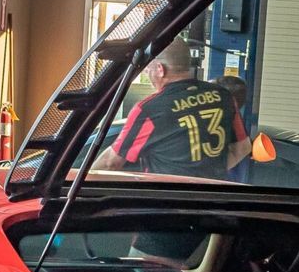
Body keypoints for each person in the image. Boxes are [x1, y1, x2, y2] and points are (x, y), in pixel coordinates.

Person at [93, 40, 247, 180]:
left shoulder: (149, 109)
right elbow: (242, 148)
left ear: (160, 69)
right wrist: (207, 173)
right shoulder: (224, 96)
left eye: (148, 68)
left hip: (166, 202)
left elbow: (110, 163)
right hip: (211, 201)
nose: (147, 73)